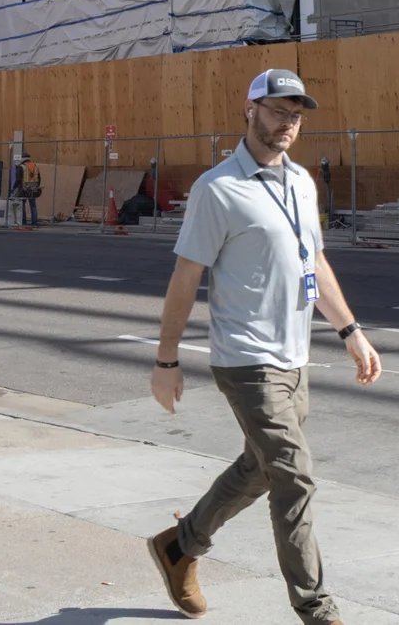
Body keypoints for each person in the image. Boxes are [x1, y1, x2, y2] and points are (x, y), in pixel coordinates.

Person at [146, 69, 380, 625]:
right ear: (249, 110)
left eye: (296, 115)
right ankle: (318, 610)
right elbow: (185, 277)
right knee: (293, 476)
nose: (288, 123)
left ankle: (180, 547)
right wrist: (166, 360)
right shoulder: (217, 188)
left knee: (259, 467)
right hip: (246, 360)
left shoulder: (300, 181)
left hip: (294, 356)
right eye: (277, 111)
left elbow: (313, 263)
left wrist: (350, 331)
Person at [17, 153, 42, 228]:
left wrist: (15, 188)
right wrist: (36, 186)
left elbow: (18, 179)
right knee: (33, 205)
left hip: (24, 188)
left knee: (22, 205)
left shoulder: (21, 167)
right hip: (33, 188)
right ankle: (34, 223)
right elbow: (39, 178)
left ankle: (24, 221)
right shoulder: (35, 166)